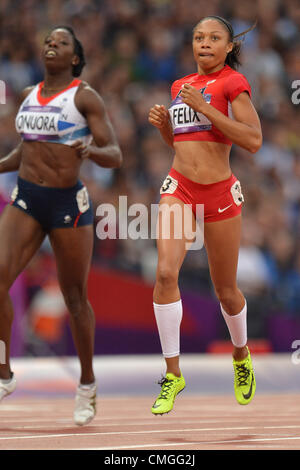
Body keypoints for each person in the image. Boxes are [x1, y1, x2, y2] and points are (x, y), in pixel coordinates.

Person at [0, 26, 122, 425]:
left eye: (62, 42)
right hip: (27, 199)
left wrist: (92, 149)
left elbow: (115, 153)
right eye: (48, 40)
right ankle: (4, 372)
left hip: (68, 204)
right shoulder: (27, 96)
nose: (51, 44)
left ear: (74, 58)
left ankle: (87, 382)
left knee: (74, 298)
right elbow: (26, 148)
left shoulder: (85, 97)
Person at [148, 16, 262, 415]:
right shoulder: (180, 86)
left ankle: (241, 354)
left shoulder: (232, 83)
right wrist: (166, 128)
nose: (205, 44)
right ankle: (173, 374)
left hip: (219, 195)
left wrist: (207, 109)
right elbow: (182, 146)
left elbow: (253, 140)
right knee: (164, 274)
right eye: (199, 37)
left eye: (214, 38)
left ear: (229, 47)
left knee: (226, 291)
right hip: (179, 187)